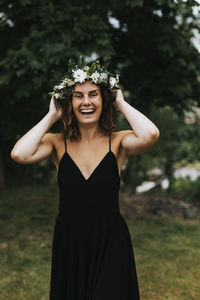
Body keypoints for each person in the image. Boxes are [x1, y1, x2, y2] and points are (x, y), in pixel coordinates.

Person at [11, 58, 159, 300]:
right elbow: (19, 153)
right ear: (68, 102)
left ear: (104, 100)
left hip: (111, 242)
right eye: (78, 95)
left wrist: (120, 102)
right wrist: (51, 117)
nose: (86, 102)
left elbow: (151, 133)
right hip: (70, 243)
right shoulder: (57, 143)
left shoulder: (119, 141)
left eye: (94, 94)